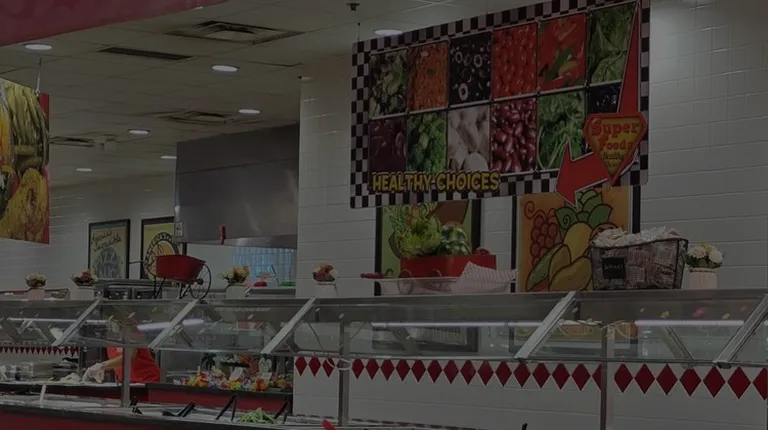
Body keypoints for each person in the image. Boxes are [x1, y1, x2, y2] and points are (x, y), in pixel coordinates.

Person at [84, 323, 161, 383]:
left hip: (147, 380)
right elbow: (117, 363)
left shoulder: (131, 331)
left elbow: (130, 356)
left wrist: (102, 365)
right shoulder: (109, 341)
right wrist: (97, 370)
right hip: (125, 384)